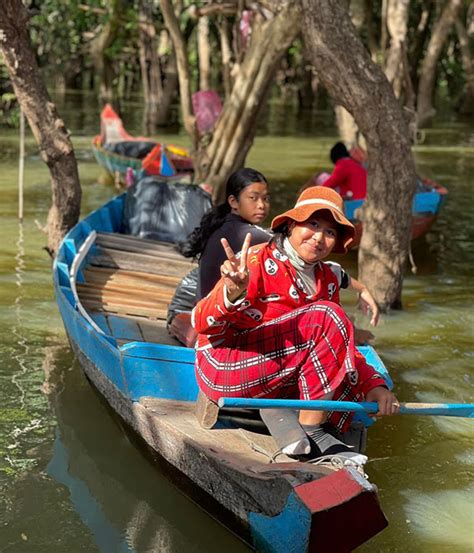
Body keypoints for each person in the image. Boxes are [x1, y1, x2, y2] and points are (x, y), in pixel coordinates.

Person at [191, 186, 399, 462]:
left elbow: (337, 344)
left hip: (276, 371)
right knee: (329, 317)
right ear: (290, 225)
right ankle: (314, 428)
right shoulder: (255, 260)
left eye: (329, 231)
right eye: (312, 224)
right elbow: (201, 324)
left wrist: (375, 385)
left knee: (349, 368)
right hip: (224, 365)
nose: (318, 237)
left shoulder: (325, 278)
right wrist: (231, 292)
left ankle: (288, 415)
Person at [181, 167, 271, 300]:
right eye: (253, 198)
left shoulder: (221, 224)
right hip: (218, 315)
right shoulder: (252, 236)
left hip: (203, 310)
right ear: (233, 201)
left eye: (265, 199)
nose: (261, 205)